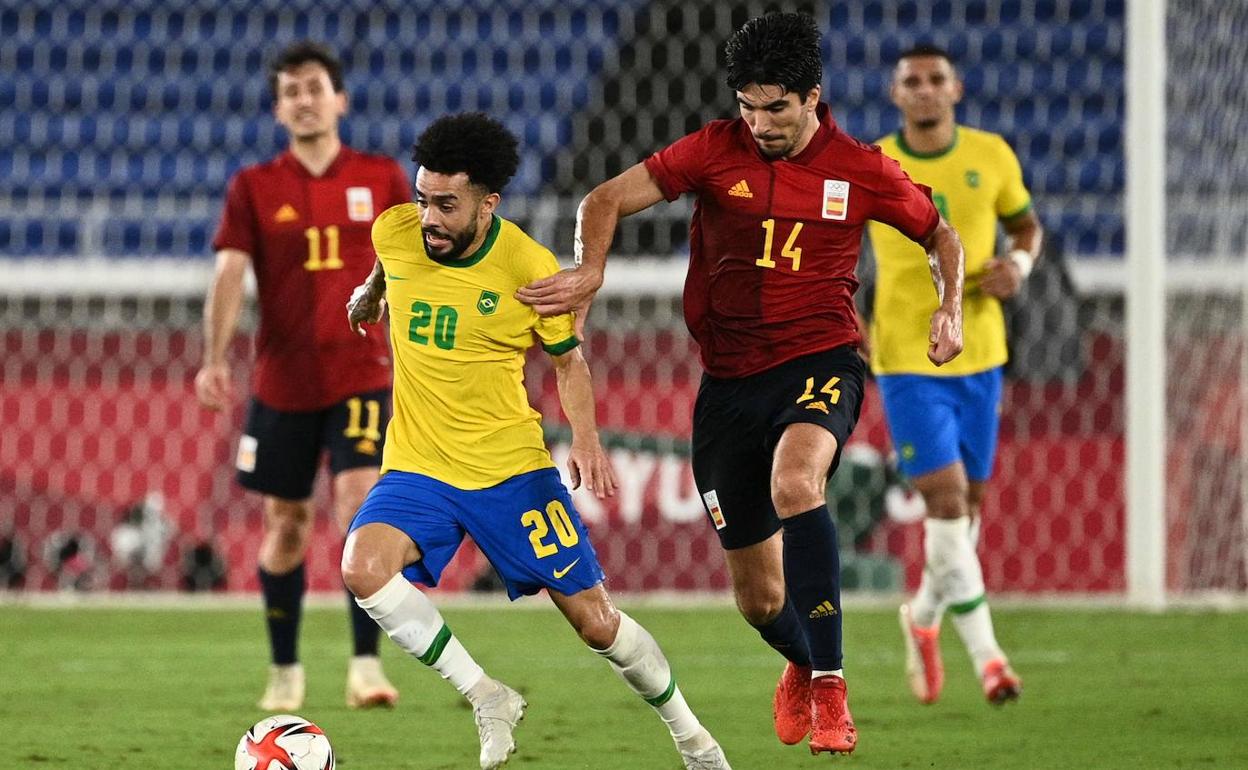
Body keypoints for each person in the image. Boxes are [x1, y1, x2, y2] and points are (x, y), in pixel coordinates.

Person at [516, 12, 966, 757]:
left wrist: (949, 307)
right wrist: (592, 268)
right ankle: (798, 660)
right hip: (726, 385)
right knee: (760, 603)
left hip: (821, 361)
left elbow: (938, 234)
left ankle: (831, 684)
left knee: (798, 484)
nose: (759, 123)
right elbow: (603, 200)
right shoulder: (712, 149)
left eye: (776, 108)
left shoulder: (859, 167)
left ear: (812, 96)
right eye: (748, 105)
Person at [341, 112, 731, 770]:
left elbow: (568, 362)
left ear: (488, 203)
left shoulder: (527, 267)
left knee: (596, 623)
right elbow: (392, 259)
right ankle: (486, 694)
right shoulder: (397, 230)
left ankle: (693, 738)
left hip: (511, 472)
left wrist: (586, 438)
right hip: (419, 466)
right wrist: (370, 291)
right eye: (421, 199)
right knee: (361, 566)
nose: (427, 217)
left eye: (446, 204)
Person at [195, 41, 411, 711]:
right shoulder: (254, 187)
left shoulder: (381, 180)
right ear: (278, 108)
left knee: (357, 507)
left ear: (339, 99)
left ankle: (365, 668)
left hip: (361, 374)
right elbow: (229, 272)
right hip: (281, 383)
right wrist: (213, 357)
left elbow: (412, 277)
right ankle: (285, 670)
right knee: (286, 524)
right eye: (291, 91)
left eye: (315, 87)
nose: (304, 99)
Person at [867, 44, 1042, 706]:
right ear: (895, 94)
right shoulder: (875, 164)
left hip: (983, 353)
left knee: (968, 511)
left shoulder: (992, 156)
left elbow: (1027, 228)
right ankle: (991, 660)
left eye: (935, 79)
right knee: (944, 502)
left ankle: (922, 618)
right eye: (910, 80)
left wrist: (1017, 269)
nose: (924, 89)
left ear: (956, 88)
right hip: (908, 358)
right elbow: (837, 247)